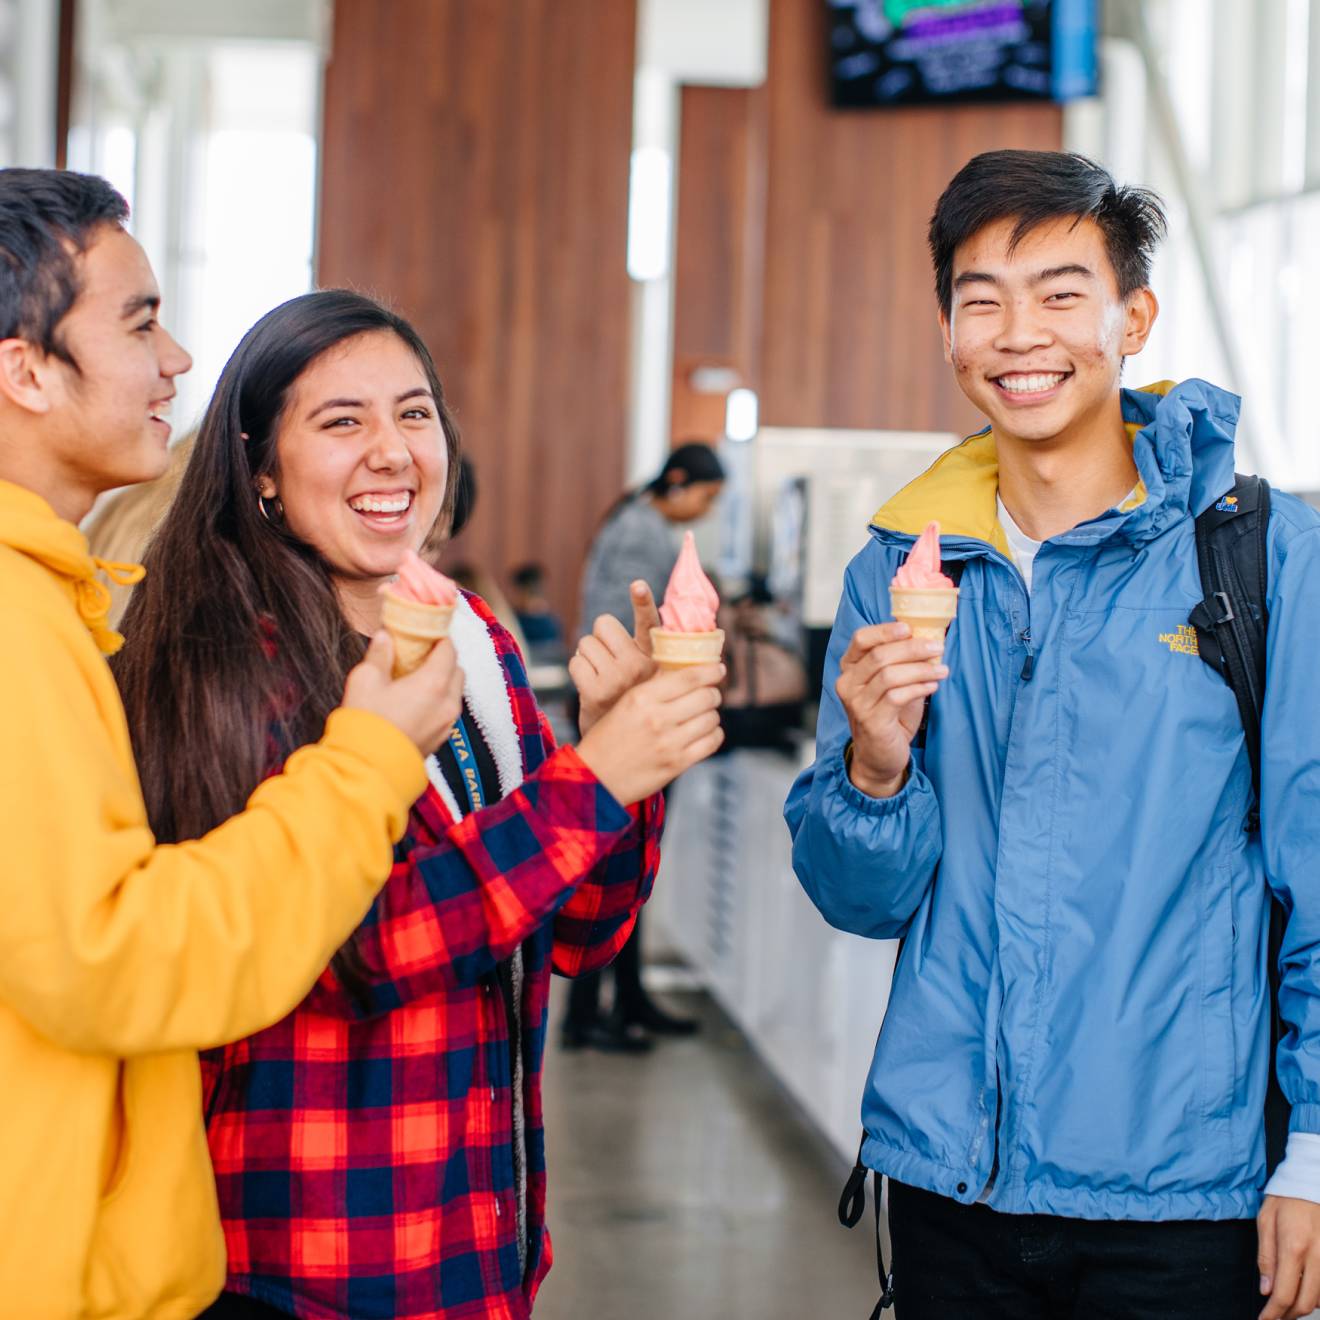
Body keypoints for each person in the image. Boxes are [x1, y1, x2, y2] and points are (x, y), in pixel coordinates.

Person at [113, 289, 726, 1319]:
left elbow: (578, 930)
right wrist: (599, 777)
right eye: (341, 422)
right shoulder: (231, 664)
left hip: (472, 1241)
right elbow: (367, 948)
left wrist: (629, 764)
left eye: (413, 412)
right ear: (261, 468)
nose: (391, 451)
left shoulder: (471, 639)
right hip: (313, 1260)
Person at [785, 149, 1320, 1320]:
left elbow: (1318, 873)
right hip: (950, 1183)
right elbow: (857, 898)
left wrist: (1316, 1154)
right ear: (948, 334)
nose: (1020, 334)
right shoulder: (900, 566)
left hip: (1184, 1197)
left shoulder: (1260, 558)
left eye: (1062, 294)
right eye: (983, 299)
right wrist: (874, 768)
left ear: (1134, 317)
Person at [0, 171, 463, 1317]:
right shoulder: (17, 626)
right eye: (141, 321)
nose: (176, 361)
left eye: (414, 412)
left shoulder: (55, 605)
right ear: (25, 371)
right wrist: (366, 758)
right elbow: (110, 960)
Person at [563, 441, 726, 1051]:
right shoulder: (643, 531)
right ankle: (589, 1013)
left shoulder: (639, 522)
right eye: (705, 498)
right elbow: (619, 628)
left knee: (630, 864)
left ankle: (626, 1000)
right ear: (678, 483)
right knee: (614, 862)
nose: (705, 513)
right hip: (629, 714)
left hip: (633, 711)